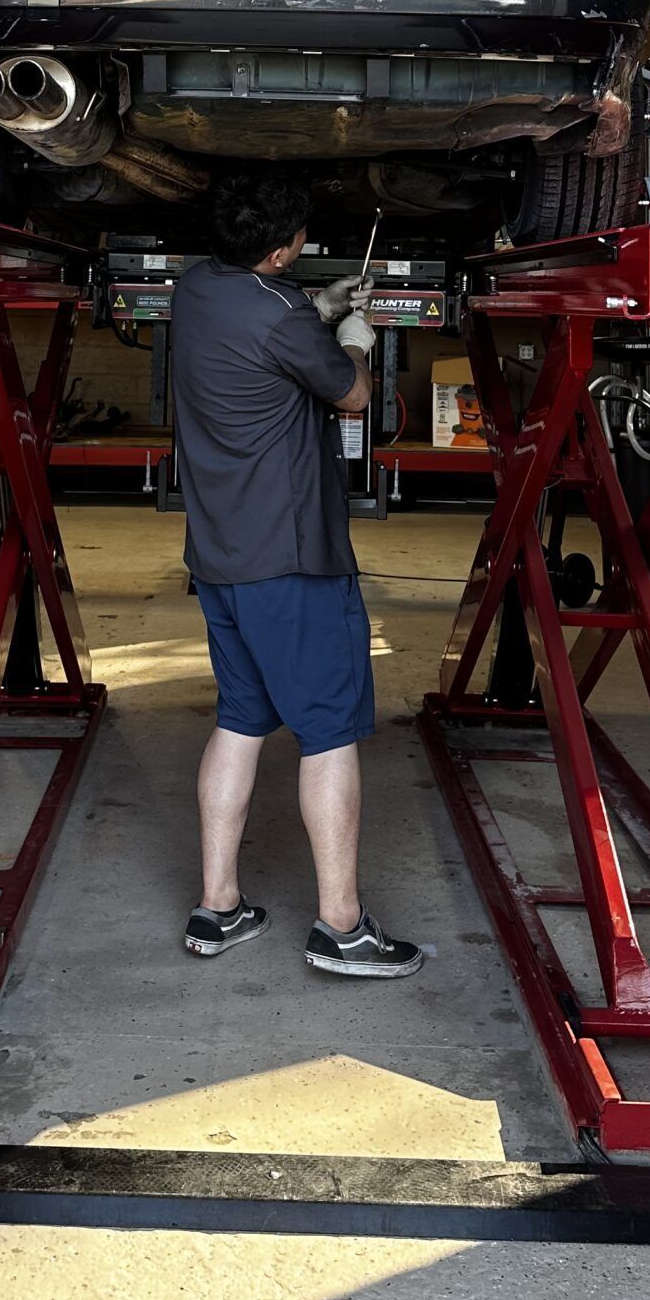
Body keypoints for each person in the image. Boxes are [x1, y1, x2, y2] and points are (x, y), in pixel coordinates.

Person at [170, 167, 424, 978]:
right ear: (282, 253)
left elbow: (270, 327)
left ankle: (218, 908)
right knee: (329, 732)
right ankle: (342, 928)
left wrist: (317, 309)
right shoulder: (282, 317)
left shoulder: (195, 289)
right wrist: (353, 336)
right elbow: (350, 396)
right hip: (293, 560)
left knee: (240, 720)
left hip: (220, 556)